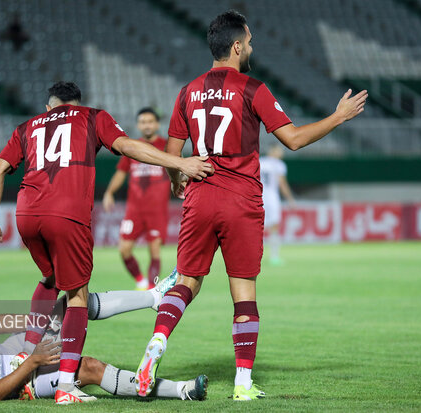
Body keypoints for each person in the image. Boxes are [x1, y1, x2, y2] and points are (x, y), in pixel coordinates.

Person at [134, 10, 368, 401]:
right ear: (237, 46)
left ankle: (155, 346)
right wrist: (337, 117)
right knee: (243, 294)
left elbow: (172, 153)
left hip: (200, 196)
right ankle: (242, 385)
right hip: (240, 199)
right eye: (251, 41)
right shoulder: (253, 87)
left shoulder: (187, 91)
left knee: (187, 282)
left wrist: (178, 179)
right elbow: (292, 139)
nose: (253, 47)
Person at [0, 81, 213, 404]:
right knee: (77, 296)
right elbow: (126, 146)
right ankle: (66, 386)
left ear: (48, 108)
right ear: (78, 104)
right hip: (67, 213)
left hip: (26, 214)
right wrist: (180, 163)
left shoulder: (26, 127)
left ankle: (25, 354)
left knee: (51, 279)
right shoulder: (92, 117)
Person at [0, 256, 208, 403]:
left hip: (11, 356)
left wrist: (36, 324)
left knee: (70, 300)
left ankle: (154, 298)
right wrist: (32, 360)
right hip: (14, 384)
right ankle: (182, 391)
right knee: (90, 368)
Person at [103, 107, 171, 290]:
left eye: (150, 121)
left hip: (157, 210)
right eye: (143, 122)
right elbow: (121, 172)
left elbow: (177, 169)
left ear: (156, 124)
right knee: (124, 249)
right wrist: (109, 192)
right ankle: (140, 280)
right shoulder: (132, 146)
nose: (147, 125)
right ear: (138, 125)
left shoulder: (166, 146)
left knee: (154, 250)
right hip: (134, 209)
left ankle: (151, 289)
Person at [260, 144, 295, 265]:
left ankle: (252, 256)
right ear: (273, 151)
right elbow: (282, 184)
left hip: (257, 197)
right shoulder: (279, 164)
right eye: (280, 151)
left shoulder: (259, 162)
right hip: (272, 198)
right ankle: (274, 256)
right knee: (274, 227)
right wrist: (290, 199)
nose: (282, 153)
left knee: (256, 227)